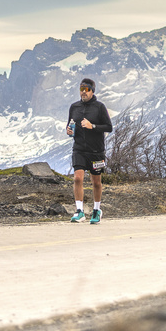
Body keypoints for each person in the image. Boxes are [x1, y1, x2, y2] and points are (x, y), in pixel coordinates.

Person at [65, 77, 113, 224]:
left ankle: (96, 210)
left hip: (96, 151)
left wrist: (93, 126)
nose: (83, 92)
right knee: (77, 178)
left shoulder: (99, 107)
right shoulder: (74, 107)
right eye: (81, 89)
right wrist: (68, 130)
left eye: (87, 90)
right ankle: (79, 211)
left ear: (92, 91)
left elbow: (109, 127)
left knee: (96, 182)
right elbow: (70, 124)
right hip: (79, 149)